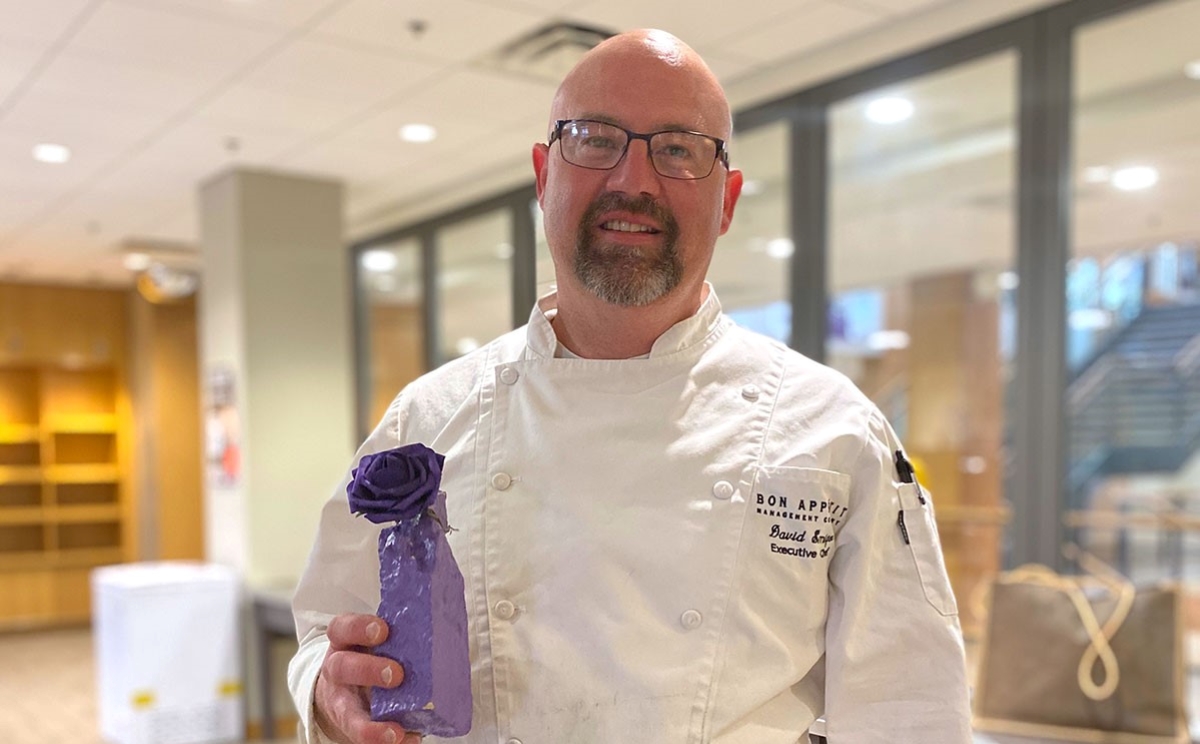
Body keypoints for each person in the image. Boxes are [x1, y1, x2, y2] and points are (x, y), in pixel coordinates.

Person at [288, 28, 972, 744]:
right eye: (594, 139)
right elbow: (321, 631)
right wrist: (328, 692)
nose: (634, 181)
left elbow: (910, 706)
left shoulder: (832, 432)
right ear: (542, 175)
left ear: (728, 199)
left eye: (679, 149)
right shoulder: (426, 417)